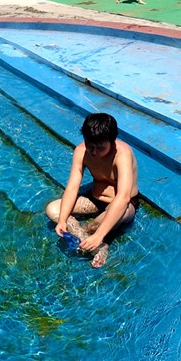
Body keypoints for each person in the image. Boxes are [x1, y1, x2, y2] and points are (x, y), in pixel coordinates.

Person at [45, 113, 139, 268]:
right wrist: (62, 220)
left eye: (100, 148)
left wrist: (99, 234)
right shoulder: (81, 151)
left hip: (123, 205)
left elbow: (123, 197)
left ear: (112, 141)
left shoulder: (122, 154)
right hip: (94, 198)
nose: (94, 152)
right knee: (53, 209)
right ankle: (93, 242)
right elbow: (72, 187)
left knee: (103, 221)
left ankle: (96, 240)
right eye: (90, 146)